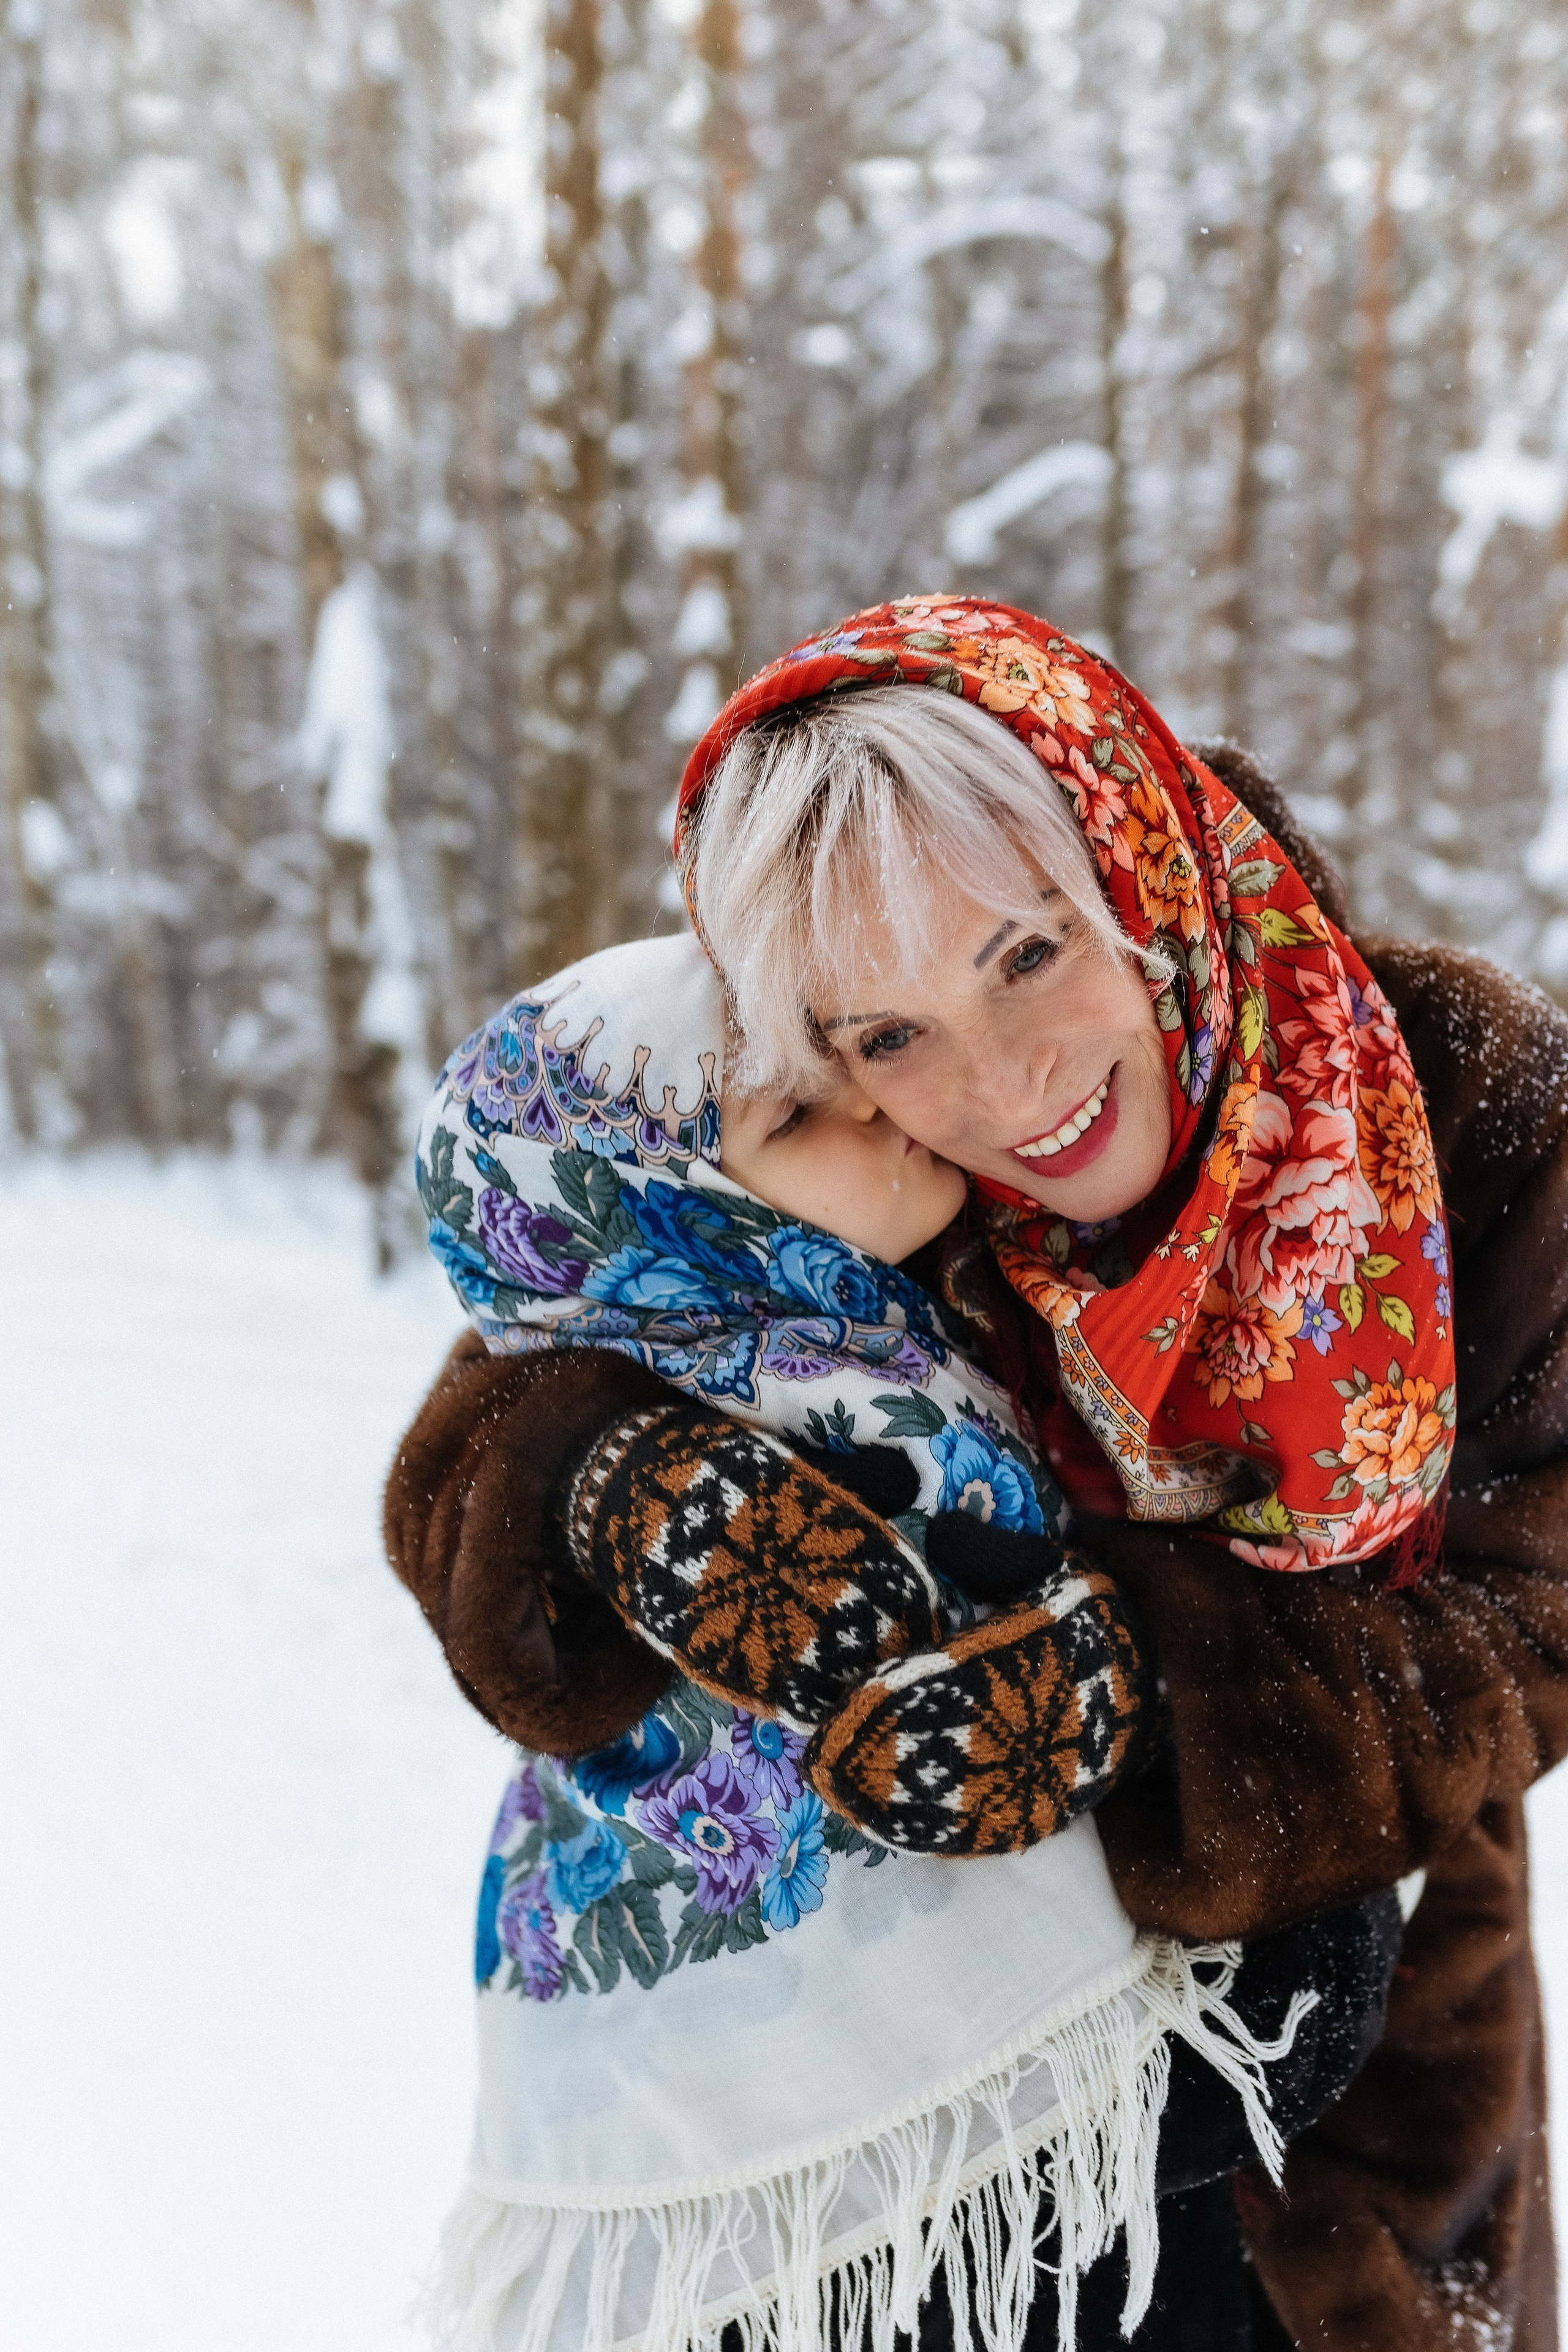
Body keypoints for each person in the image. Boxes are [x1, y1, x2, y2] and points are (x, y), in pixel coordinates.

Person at [387, 597, 1568, 2349]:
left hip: (1355, 2071)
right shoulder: (877, 1172)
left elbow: (1542, 1601)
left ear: (1126, 859)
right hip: (948, 2141)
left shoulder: (1464, 1102)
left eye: (1027, 955)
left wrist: (1160, 1693)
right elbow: (540, 1359)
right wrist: (603, 1488)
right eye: (885, 1033)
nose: (1005, 1087)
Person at [413, 926, 1320, 2352]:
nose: (873, 1112)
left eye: (843, 1069)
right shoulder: (701, 1459)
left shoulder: (913, 1325)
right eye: (789, 1115)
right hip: (862, 2198)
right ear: (667, 1214)